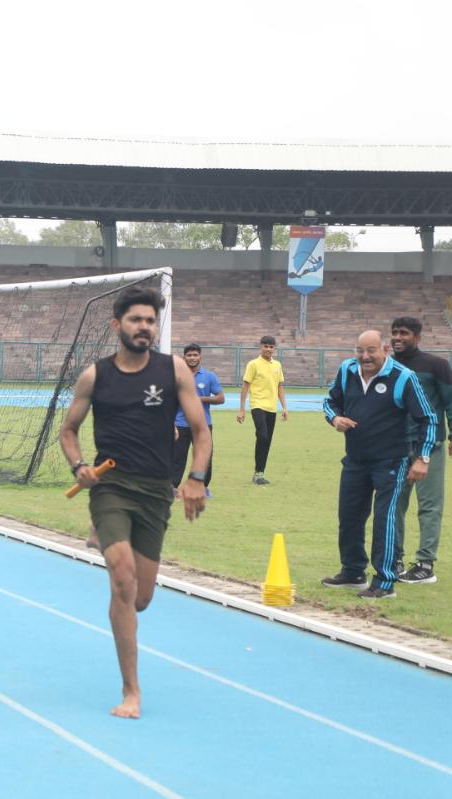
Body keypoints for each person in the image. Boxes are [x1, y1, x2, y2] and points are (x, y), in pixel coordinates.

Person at [59, 286, 211, 720]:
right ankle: (132, 692)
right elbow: (68, 431)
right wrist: (78, 467)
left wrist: (196, 479)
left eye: (150, 320)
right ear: (117, 326)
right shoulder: (95, 376)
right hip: (111, 486)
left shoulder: (174, 370)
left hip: (155, 491)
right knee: (122, 581)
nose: (144, 327)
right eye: (135, 320)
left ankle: (107, 537)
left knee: (141, 598)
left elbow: (201, 431)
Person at [321, 330, 435, 599]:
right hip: (355, 460)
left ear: (384, 349)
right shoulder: (347, 370)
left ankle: (385, 582)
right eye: (360, 350)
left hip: (390, 462)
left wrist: (423, 457)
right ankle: (352, 572)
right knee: (349, 516)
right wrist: (335, 419)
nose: (365, 356)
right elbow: (330, 402)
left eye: (371, 350)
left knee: (385, 520)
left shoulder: (403, 378)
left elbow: (428, 418)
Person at [389, 317, 452, 584]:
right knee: (394, 504)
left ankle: (425, 564)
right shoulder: (388, 365)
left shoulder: (436, 365)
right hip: (396, 446)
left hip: (430, 445)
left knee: (429, 506)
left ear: (417, 337)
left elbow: (450, 401)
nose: (397, 338)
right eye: (394, 333)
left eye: (404, 333)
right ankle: (395, 559)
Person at [171, 343, 224, 498]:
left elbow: (221, 398)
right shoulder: (177, 377)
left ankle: (203, 487)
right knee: (177, 457)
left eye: (195, 355)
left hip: (202, 424)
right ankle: (172, 487)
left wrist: (200, 399)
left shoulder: (209, 376)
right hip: (181, 424)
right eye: (189, 355)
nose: (192, 358)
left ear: (200, 357)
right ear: (184, 357)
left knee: (204, 456)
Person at [236, 335, 288, 485]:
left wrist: (284, 407)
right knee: (263, 436)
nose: (268, 349)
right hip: (257, 405)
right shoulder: (253, 364)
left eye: (271, 347)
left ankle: (259, 473)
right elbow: (245, 386)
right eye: (265, 346)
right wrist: (241, 409)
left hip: (272, 408)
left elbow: (280, 387)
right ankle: (258, 472)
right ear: (260, 347)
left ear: (274, 348)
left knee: (267, 441)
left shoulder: (277, 365)